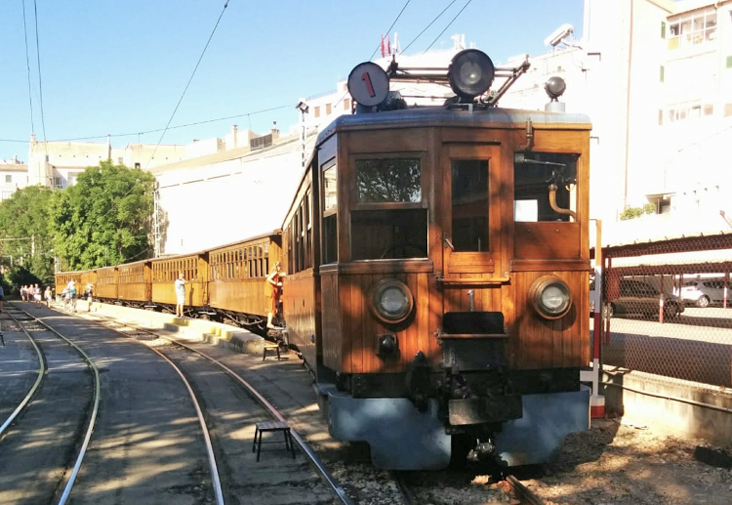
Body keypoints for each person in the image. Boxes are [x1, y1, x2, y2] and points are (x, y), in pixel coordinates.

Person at [265, 261, 286, 329]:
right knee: (271, 309)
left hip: (272, 292)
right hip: (271, 292)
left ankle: (273, 321)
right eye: (280, 267)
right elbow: (268, 279)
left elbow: (280, 274)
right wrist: (276, 284)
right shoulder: (275, 273)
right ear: (278, 267)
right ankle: (269, 323)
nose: (280, 268)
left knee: (274, 308)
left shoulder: (275, 273)